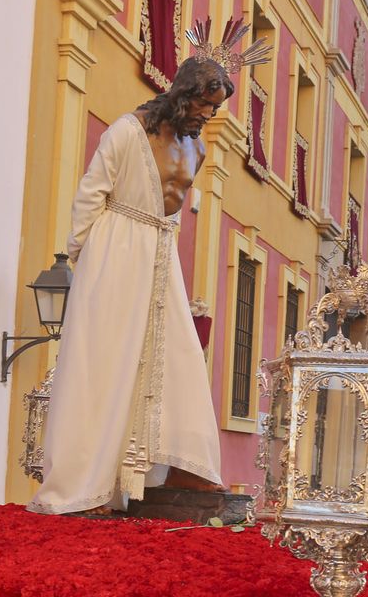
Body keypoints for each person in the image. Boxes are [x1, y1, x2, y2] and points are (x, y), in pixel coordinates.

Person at [29, 43, 254, 514]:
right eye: (203, 104)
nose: (207, 115)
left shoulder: (199, 144)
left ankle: (183, 466)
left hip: (160, 253)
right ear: (183, 93)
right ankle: (81, 486)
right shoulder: (128, 132)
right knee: (104, 362)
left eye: (214, 108)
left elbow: (176, 207)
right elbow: (91, 194)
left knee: (178, 355)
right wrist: (82, 261)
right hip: (114, 247)